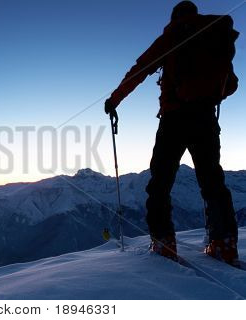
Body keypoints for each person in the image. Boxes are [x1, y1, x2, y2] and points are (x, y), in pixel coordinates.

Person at [104, 1, 239, 264]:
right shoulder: (215, 38)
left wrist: (114, 100)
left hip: (174, 119)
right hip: (206, 119)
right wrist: (208, 94)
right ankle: (225, 244)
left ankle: (164, 243)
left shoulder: (172, 36)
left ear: (175, 16)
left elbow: (140, 70)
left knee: (160, 183)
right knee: (213, 182)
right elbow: (232, 84)